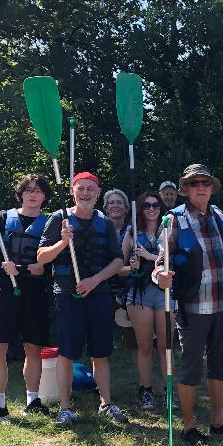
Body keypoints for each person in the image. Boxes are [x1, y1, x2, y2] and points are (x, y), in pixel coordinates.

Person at [154, 164, 223, 444]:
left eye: (205, 183)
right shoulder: (174, 219)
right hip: (193, 306)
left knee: (219, 363)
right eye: (194, 183)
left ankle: (218, 421)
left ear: (211, 188)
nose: (200, 188)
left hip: (222, 303)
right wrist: (160, 276)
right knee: (191, 367)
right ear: (185, 189)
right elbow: (161, 261)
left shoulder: (219, 215)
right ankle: (188, 426)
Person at [37, 171, 128, 425]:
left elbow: (118, 260)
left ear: (98, 193)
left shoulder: (105, 223)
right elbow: (41, 256)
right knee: (67, 352)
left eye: (90, 189)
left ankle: (106, 403)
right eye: (81, 188)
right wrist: (62, 243)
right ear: (72, 191)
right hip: (68, 294)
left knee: (101, 352)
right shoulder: (59, 218)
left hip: (99, 293)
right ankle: (65, 407)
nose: (85, 193)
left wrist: (95, 280)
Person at [0, 173, 54, 421]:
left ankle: (33, 401)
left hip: (35, 292)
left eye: (38, 191)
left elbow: (45, 267)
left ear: (44, 196)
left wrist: (22, 269)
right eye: (28, 190)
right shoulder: (3, 218)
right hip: (6, 290)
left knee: (33, 348)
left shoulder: (50, 224)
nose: (33, 194)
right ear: (21, 193)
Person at [122, 191, 169, 411]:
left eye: (155, 205)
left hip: (164, 292)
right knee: (145, 345)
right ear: (140, 209)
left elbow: (174, 260)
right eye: (146, 205)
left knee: (166, 346)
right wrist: (130, 266)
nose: (151, 209)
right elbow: (119, 266)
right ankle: (146, 391)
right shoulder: (132, 232)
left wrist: (150, 257)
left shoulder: (168, 230)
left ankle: (169, 391)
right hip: (139, 293)